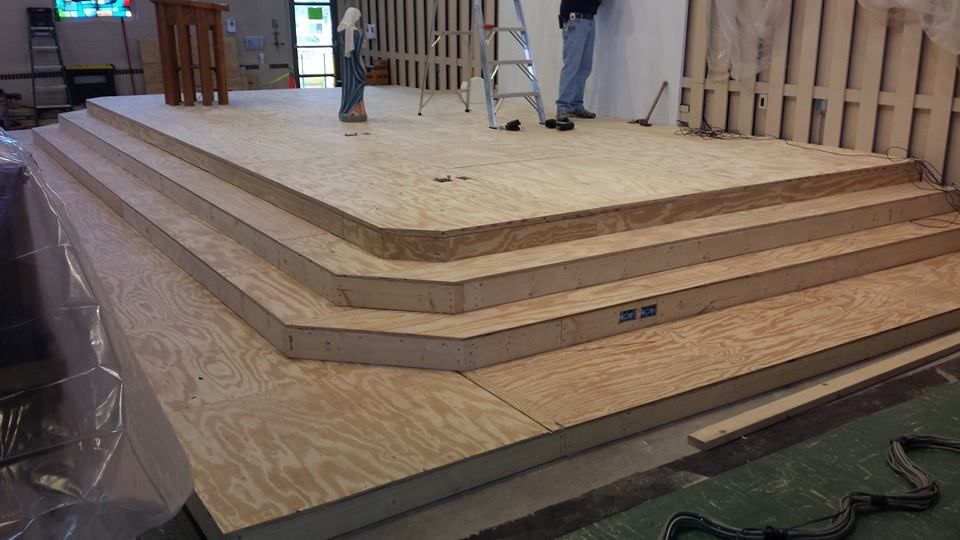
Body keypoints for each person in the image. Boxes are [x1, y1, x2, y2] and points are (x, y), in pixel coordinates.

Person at [557, 0, 601, 120]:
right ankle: (563, 106)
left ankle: (576, 104)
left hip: (589, 19)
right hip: (575, 19)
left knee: (584, 67)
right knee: (572, 65)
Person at [338, 7, 367, 122]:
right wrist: (361, 34)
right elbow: (359, 47)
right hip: (354, 63)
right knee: (358, 84)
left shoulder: (341, 29)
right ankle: (355, 111)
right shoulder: (354, 32)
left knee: (349, 86)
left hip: (346, 64)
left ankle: (350, 109)